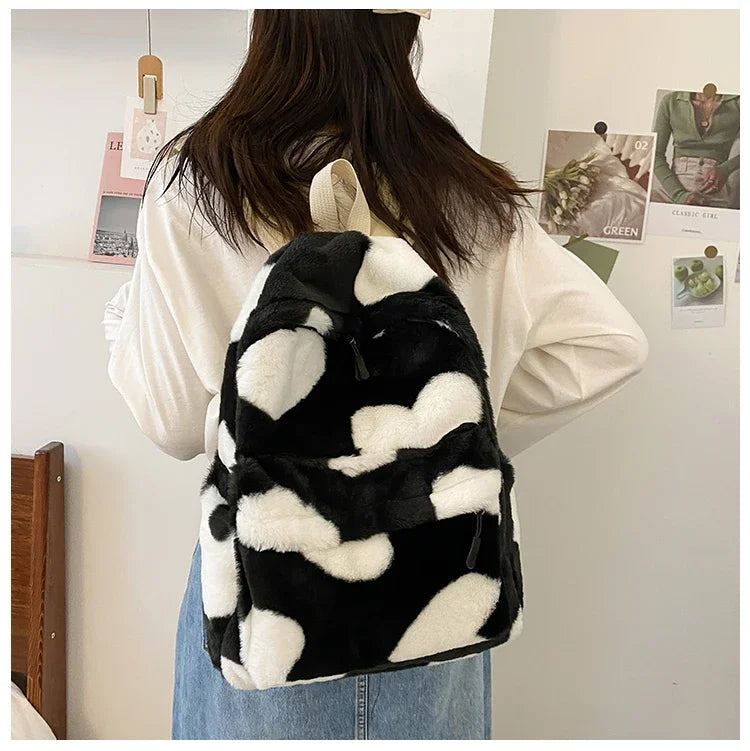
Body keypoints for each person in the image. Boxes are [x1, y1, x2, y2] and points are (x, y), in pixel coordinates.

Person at [102, 9, 648, 741]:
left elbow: (172, 424)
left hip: (273, 585)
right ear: (407, 31)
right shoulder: (464, 192)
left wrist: (255, 423)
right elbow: (610, 345)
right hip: (434, 581)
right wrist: (439, 439)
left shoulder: (198, 184)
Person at [651, 89, 740, 209]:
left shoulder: (738, 102)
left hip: (713, 188)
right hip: (671, 190)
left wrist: (725, 169)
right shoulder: (671, 101)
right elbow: (655, 154)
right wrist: (679, 195)